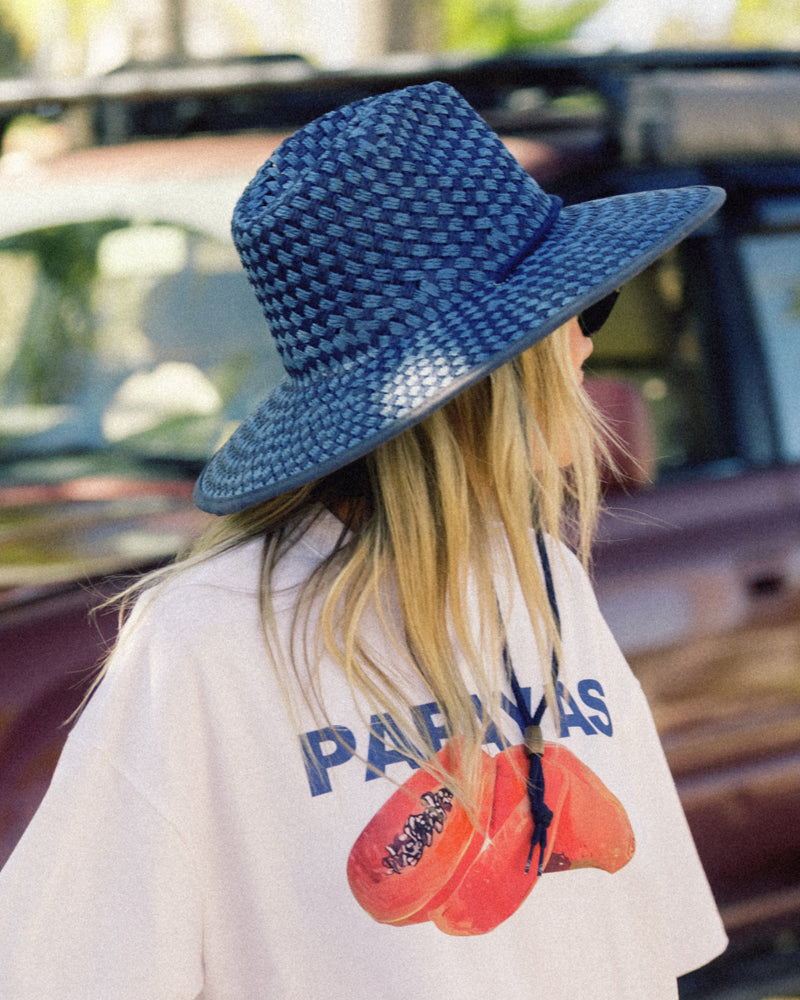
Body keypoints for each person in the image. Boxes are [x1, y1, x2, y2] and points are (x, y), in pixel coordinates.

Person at [0, 82, 728, 999]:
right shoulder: (207, 639)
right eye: (577, 312)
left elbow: (635, 942)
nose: (586, 347)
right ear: (485, 376)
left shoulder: (543, 579)